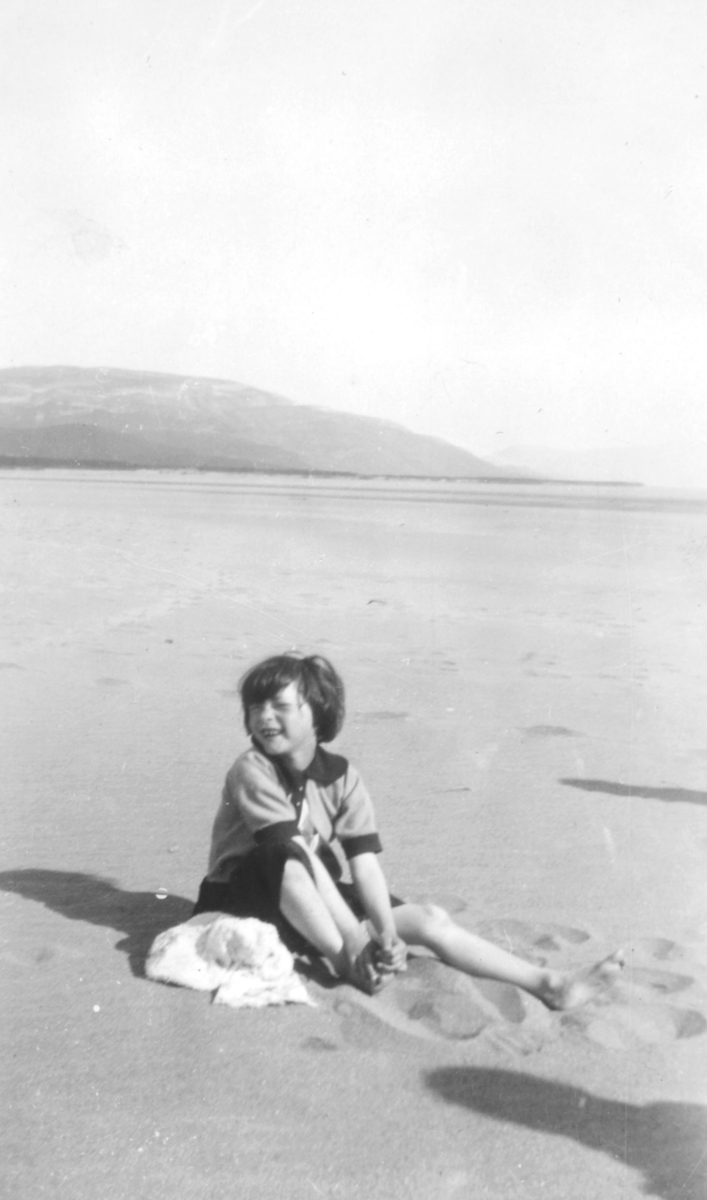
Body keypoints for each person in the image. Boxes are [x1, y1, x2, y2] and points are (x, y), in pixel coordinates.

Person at [193, 652, 623, 1004]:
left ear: (317, 712)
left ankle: (549, 984)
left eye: (280, 706)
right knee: (285, 852)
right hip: (246, 894)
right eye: (255, 707)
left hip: (315, 904)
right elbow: (295, 855)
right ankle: (348, 963)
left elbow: (364, 867)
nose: (264, 717)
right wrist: (355, 941)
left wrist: (386, 934)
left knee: (429, 919)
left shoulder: (342, 777)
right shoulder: (252, 768)